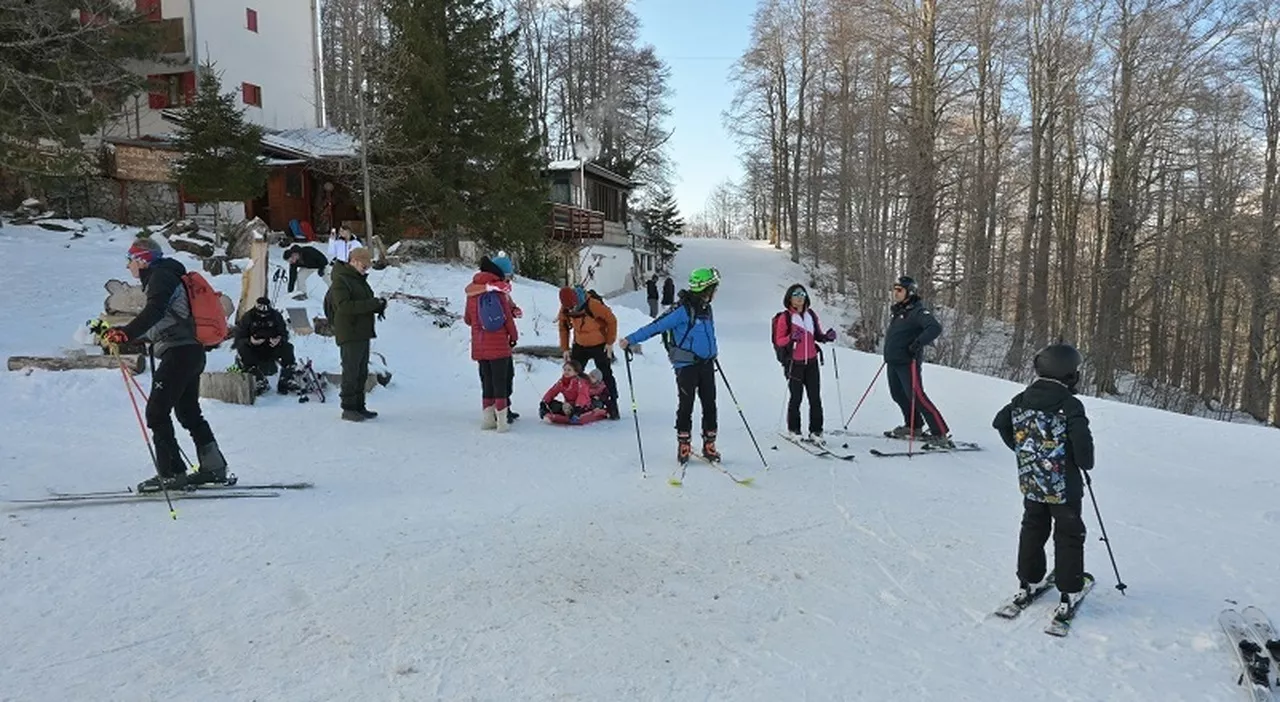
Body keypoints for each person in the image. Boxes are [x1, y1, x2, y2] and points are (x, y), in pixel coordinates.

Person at [103, 237, 228, 491]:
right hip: (190, 351)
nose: (128, 266)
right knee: (188, 412)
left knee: (157, 412)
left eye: (130, 260)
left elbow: (156, 311)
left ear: (142, 260)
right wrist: (130, 336)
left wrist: (127, 333)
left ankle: (172, 473)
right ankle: (213, 467)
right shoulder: (167, 276)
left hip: (179, 353)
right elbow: (164, 322)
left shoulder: (160, 276)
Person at [991, 343, 1095, 619]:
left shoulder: (1022, 398)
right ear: (1069, 375)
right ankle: (1069, 590)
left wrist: (1024, 451)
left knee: (1033, 528)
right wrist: (1083, 463)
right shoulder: (1069, 404)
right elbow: (1083, 447)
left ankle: (1028, 582)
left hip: (1033, 482)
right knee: (1069, 532)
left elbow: (1001, 422)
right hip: (1064, 487)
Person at [619, 267, 721, 465]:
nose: (715, 293)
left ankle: (709, 444)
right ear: (705, 289)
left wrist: (712, 352)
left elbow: (709, 334)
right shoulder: (682, 309)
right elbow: (656, 326)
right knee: (686, 404)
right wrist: (630, 339)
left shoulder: (707, 309)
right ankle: (684, 444)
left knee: (710, 404)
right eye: (713, 288)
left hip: (707, 364)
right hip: (686, 365)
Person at [883, 275, 952, 448]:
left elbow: (935, 328)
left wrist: (917, 344)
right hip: (893, 361)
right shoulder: (900, 311)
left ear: (910, 292)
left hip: (908, 362)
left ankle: (940, 432)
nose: (895, 293)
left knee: (917, 396)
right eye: (895, 289)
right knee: (898, 395)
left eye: (900, 290)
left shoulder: (917, 311)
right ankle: (913, 426)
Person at [772, 284, 836, 445]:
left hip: (812, 362)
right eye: (796, 294)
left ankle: (816, 431)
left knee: (815, 398)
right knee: (796, 397)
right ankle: (794, 430)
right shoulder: (785, 317)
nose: (800, 297)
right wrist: (791, 337)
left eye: (802, 294)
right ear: (790, 298)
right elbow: (779, 340)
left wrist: (827, 337)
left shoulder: (810, 315)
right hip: (794, 363)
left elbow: (817, 335)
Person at [325, 247, 385, 421]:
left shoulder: (358, 280)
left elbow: (363, 303)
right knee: (351, 371)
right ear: (354, 261)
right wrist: (371, 304)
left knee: (361, 372)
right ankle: (348, 408)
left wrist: (377, 305)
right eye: (364, 265)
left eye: (367, 266)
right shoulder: (341, 280)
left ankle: (359, 405)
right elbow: (344, 307)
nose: (366, 268)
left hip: (362, 331)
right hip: (349, 332)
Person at [464, 254, 519, 431]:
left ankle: (488, 420)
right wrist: (514, 336)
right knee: (501, 382)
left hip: (480, 346)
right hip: (499, 345)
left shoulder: (472, 291)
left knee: (486, 381)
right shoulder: (498, 290)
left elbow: (467, 319)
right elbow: (508, 319)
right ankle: (502, 422)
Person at [557, 285, 620, 419]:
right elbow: (563, 327)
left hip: (599, 344)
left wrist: (609, 342)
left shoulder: (593, 304)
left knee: (605, 374)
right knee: (573, 375)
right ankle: (574, 404)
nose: (571, 309)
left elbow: (611, 320)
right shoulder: (565, 307)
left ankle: (612, 405)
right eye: (568, 307)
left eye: (573, 306)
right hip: (580, 344)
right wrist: (565, 348)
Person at [233, 297, 297, 395]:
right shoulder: (248, 317)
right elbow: (238, 339)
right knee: (243, 349)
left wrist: (279, 339)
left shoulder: (276, 316)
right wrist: (250, 341)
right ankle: (258, 380)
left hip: (272, 347)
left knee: (288, 348)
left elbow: (284, 333)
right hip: (254, 348)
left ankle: (286, 380)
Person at [539, 360, 608, 425]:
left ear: (576, 372)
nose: (566, 372)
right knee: (552, 404)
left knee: (571, 409)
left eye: (569, 370)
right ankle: (558, 413)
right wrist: (544, 402)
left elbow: (582, 395)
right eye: (565, 370)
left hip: (583, 406)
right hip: (569, 405)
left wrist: (578, 408)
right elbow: (552, 391)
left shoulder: (581, 382)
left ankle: (569, 415)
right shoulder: (562, 382)